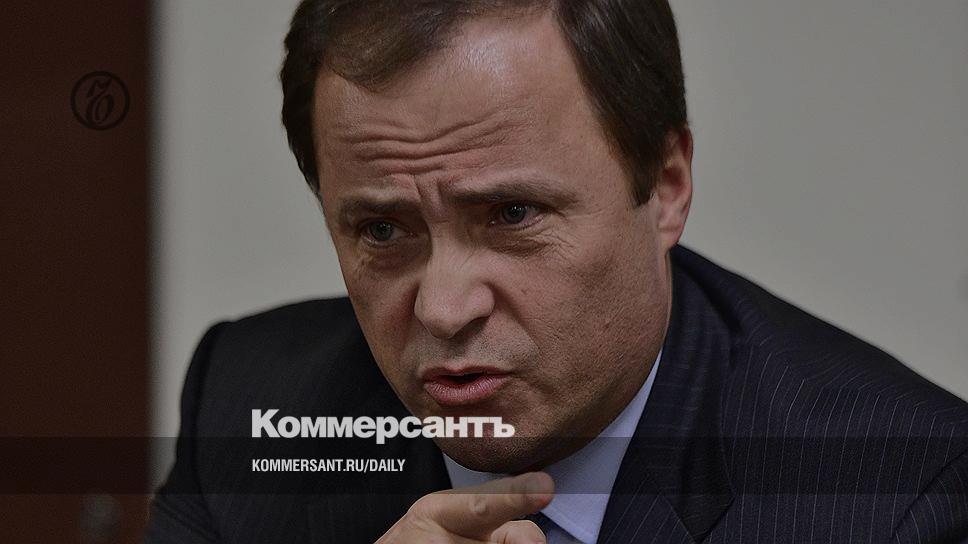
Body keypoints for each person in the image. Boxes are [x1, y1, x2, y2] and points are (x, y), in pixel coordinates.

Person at [144, 1, 968, 543]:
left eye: (512, 214)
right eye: (384, 229)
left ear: (667, 187)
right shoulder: (250, 409)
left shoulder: (895, 495)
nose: (445, 309)